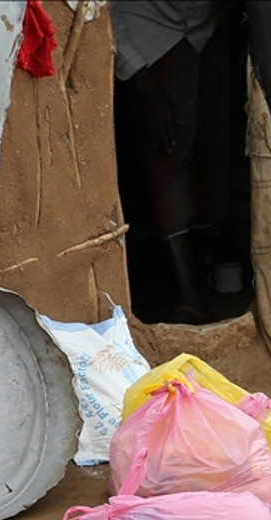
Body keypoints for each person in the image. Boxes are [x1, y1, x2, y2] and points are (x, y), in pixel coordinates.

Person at [111, 1, 225, 324]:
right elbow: (107, 16)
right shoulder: (141, 24)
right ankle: (188, 298)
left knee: (182, 162)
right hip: (150, 37)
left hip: (190, 31)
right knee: (167, 163)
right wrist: (145, 86)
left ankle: (189, 290)